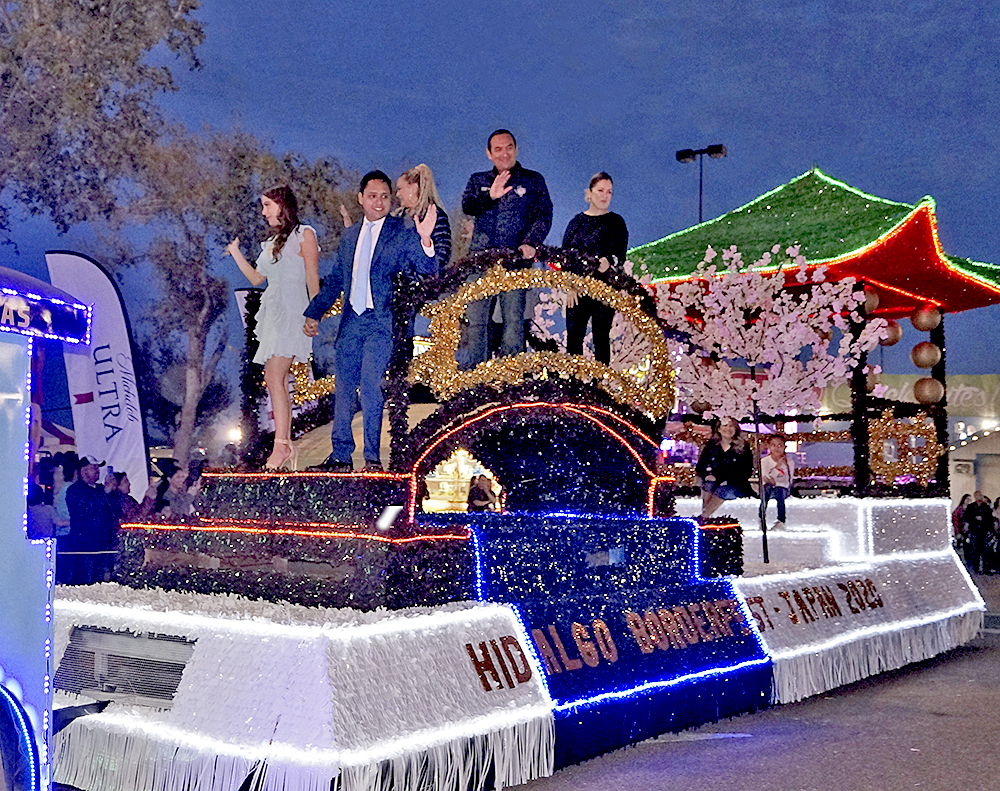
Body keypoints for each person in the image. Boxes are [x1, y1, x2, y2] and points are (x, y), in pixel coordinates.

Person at [303, 171, 438, 472]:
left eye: (385, 197)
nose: (379, 202)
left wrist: (426, 239)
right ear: (361, 198)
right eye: (373, 196)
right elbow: (336, 279)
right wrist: (314, 312)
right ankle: (340, 456)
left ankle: (373, 459)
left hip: (380, 322)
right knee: (344, 389)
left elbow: (428, 268)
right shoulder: (350, 235)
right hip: (351, 321)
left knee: (371, 386)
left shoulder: (401, 231)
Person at [227, 185, 320, 470]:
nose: (263, 211)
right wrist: (235, 253)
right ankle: (283, 444)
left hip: (293, 312)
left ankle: (282, 445)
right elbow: (257, 278)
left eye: (267, 205)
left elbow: (312, 277)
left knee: (274, 375)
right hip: (273, 314)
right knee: (272, 378)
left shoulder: (305, 234)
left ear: (282, 205)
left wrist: (314, 314)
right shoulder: (272, 243)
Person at [460, 129, 552, 368]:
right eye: (498, 149)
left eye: (509, 147)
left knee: (513, 322)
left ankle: (510, 380)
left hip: (514, 262)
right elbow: (468, 206)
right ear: (489, 153)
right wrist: (490, 196)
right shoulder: (478, 180)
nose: (504, 153)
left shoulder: (533, 181)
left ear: (516, 149)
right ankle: (475, 380)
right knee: (477, 323)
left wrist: (530, 243)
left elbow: (543, 216)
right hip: (479, 262)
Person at [562, 172, 629, 365]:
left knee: (601, 336)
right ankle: (574, 380)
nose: (605, 195)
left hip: (604, 288)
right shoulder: (576, 223)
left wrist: (609, 262)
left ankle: (600, 380)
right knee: (574, 339)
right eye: (600, 190)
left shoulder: (616, 222)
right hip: (578, 288)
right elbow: (565, 257)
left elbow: (620, 255)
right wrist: (570, 285)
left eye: (609, 192)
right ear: (589, 193)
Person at [62, 456, 116, 584]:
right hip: (84, 546)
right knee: (85, 581)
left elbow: (112, 510)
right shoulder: (75, 490)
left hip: (103, 545)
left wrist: (113, 491)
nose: (97, 471)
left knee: (100, 581)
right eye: (93, 468)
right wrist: (105, 493)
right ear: (83, 471)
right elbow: (87, 510)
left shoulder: (100, 489)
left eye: (97, 468)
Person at [696, 417, 753, 521]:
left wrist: (728, 480)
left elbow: (746, 471)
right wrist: (708, 475)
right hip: (714, 481)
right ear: (719, 429)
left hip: (735, 484)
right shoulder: (711, 446)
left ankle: (703, 518)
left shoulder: (743, 447)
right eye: (725, 425)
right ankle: (706, 517)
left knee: (722, 490)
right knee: (708, 485)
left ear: (736, 429)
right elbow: (700, 467)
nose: (728, 429)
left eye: (731, 426)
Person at [759, 434, 794, 529]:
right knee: (766, 491)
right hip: (767, 487)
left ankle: (781, 520)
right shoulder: (764, 461)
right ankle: (761, 518)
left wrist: (775, 480)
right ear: (769, 447)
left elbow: (788, 479)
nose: (777, 448)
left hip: (782, 487)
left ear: (784, 447)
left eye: (779, 445)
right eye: (773, 445)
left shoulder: (789, 462)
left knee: (779, 492)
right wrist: (777, 467)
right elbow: (766, 478)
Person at [962, 490, 993, 573]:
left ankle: (986, 568)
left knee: (985, 550)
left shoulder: (986, 507)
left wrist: (984, 520)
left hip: (984, 531)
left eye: (980, 495)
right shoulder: (971, 507)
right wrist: (974, 519)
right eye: (978, 495)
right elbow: (967, 517)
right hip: (974, 530)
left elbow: (990, 519)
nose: (980, 497)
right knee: (975, 550)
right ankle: (976, 568)